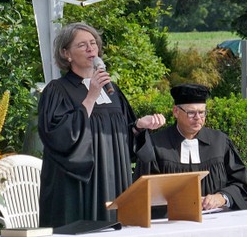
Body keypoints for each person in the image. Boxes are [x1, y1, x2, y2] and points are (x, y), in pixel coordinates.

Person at [37, 22, 165, 228]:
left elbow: (122, 141)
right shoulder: (57, 90)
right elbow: (57, 137)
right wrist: (90, 97)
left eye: (93, 43)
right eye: (82, 45)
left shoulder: (112, 90)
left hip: (115, 178)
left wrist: (139, 127)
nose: (91, 49)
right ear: (66, 53)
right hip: (78, 185)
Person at [135, 83, 247, 214]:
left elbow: (244, 186)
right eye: (191, 113)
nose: (198, 118)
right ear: (176, 112)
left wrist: (222, 197)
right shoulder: (156, 144)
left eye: (202, 112)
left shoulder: (220, 142)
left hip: (217, 221)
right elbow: (143, 192)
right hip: (172, 224)